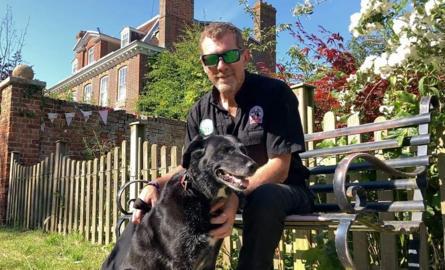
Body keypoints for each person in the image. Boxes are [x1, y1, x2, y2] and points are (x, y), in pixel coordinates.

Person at [132, 22, 314, 270]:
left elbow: (280, 167)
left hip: (285, 191)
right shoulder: (200, 110)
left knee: (265, 196)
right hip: (230, 194)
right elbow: (189, 168)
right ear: (203, 64)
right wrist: (156, 185)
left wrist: (234, 197)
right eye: (212, 59)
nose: (221, 66)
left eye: (229, 55)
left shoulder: (274, 94)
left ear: (245, 56)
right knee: (185, 195)